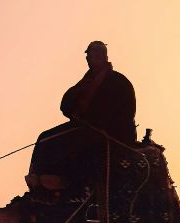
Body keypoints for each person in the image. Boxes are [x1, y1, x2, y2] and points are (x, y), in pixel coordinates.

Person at [29, 41, 137, 194]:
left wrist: (98, 125)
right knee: (45, 137)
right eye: (88, 56)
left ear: (103, 56)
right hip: (87, 128)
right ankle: (39, 179)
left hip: (111, 135)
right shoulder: (86, 82)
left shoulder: (119, 82)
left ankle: (61, 182)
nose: (89, 59)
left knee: (59, 141)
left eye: (92, 55)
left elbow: (125, 113)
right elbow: (66, 104)